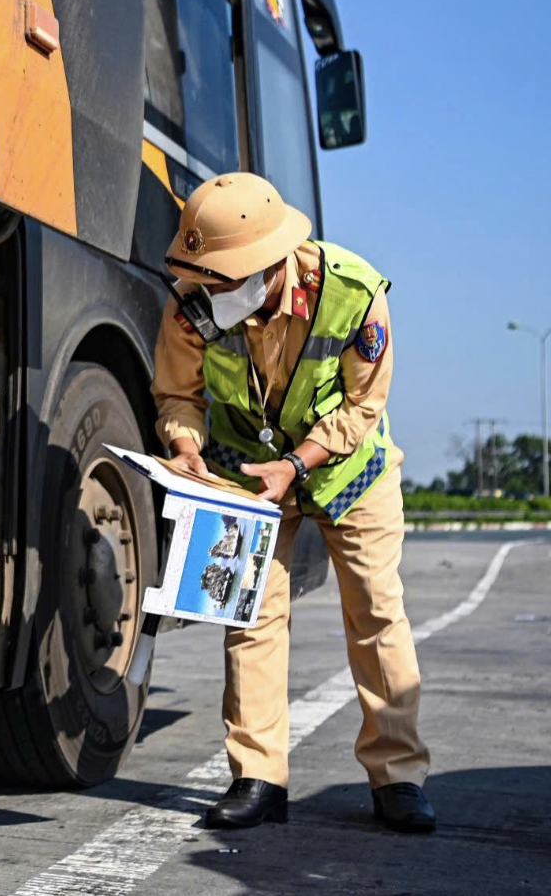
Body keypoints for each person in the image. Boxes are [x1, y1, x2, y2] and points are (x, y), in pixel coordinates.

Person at [150, 171, 435, 834]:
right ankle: (258, 777)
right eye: (207, 279)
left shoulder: (355, 294)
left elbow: (366, 403)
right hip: (249, 470)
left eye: (222, 279)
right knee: (248, 615)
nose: (210, 292)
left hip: (346, 470)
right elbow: (178, 395)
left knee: (375, 612)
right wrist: (185, 444)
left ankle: (398, 778)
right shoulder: (192, 302)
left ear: (266, 265)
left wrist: (298, 462)